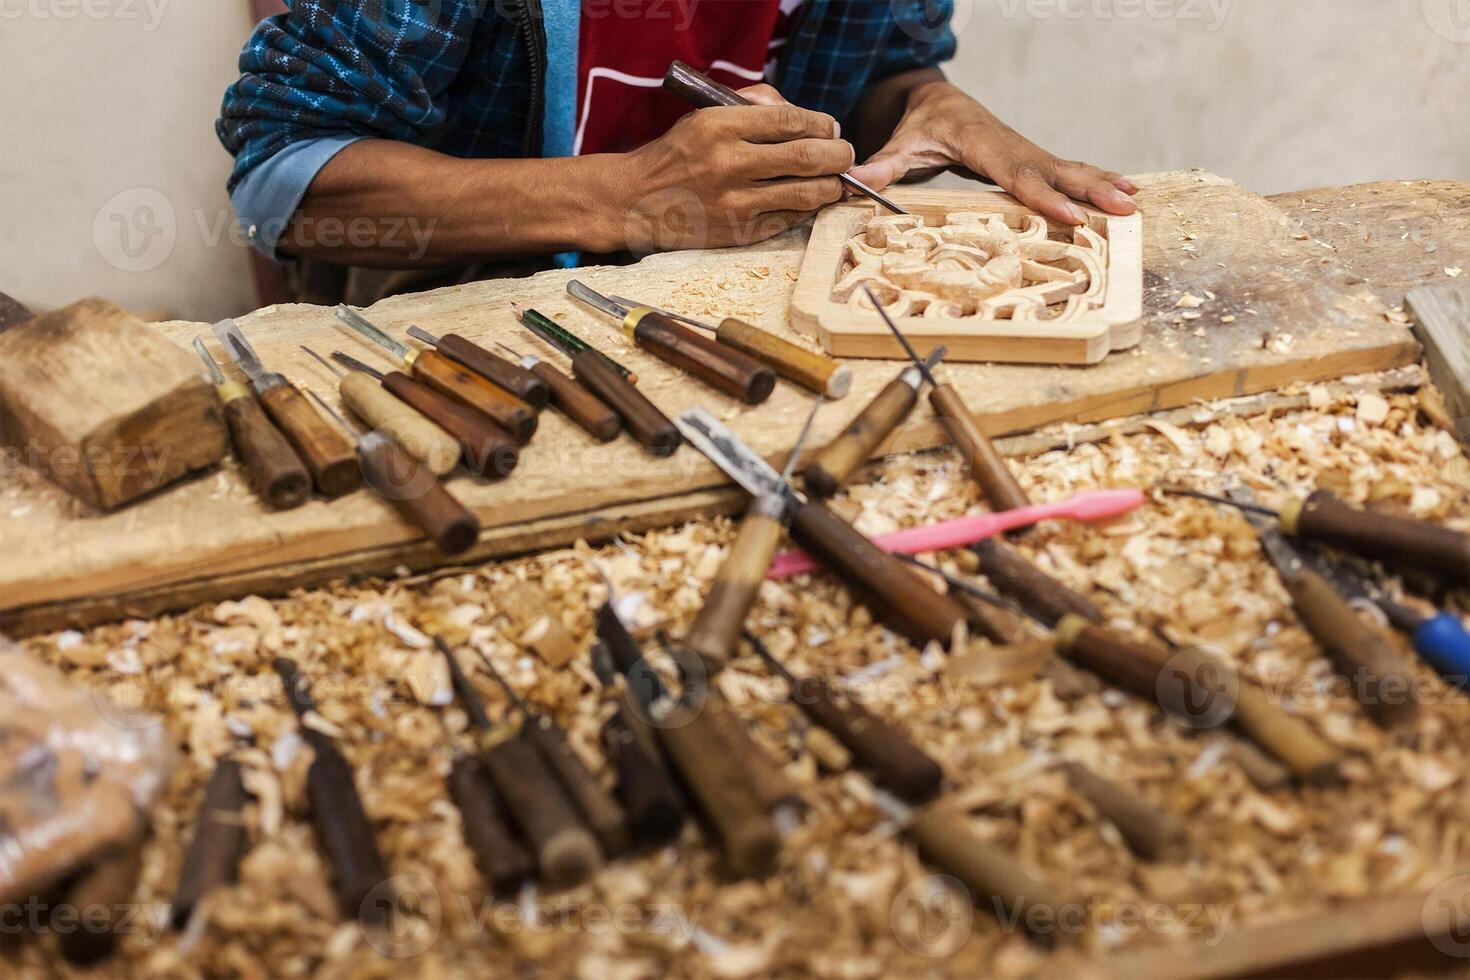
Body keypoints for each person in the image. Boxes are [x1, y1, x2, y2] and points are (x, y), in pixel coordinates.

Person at [218, 0, 1137, 305]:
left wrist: (932, 102)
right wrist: (629, 198)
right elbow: (282, 178)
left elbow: (885, 61)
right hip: (481, 334)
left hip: (740, 324)